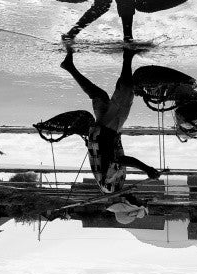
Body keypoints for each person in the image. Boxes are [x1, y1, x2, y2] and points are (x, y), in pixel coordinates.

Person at [60, 47, 162, 194]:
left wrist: (147, 169)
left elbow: (120, 160)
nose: (134, 198)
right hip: (99, 134)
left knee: (126, 91)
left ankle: (127, 55)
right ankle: (69, 66)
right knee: (99, 96)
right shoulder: (109, 186)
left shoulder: (111, 186)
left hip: (108, 130)